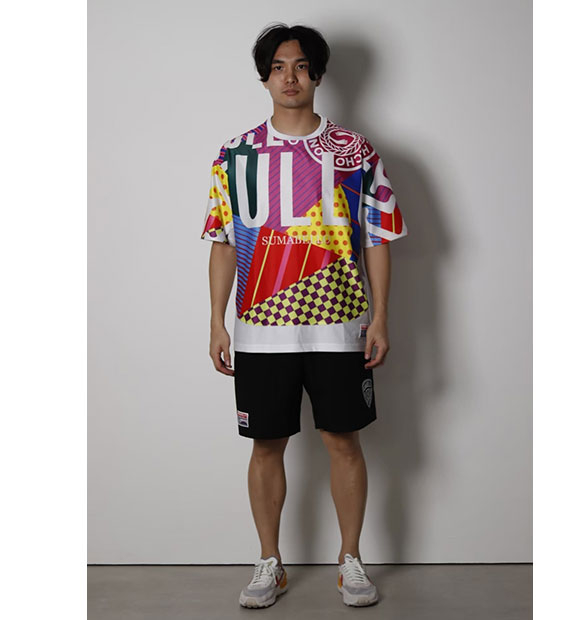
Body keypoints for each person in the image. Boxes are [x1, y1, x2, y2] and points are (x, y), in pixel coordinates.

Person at [200, 22, 408, 608]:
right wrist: (216, 321)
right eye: (277, 67)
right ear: (264, 77)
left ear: (317, 74)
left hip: (340, 326)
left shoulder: (354, 150)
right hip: (260, 331)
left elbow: (377, 237)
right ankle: (270, 562)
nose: (288, 77)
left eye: (299, 66)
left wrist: (381, 318)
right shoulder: (235, 154)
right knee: (266, 445)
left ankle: (351, 561)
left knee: (343, 442)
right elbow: (222, 241)